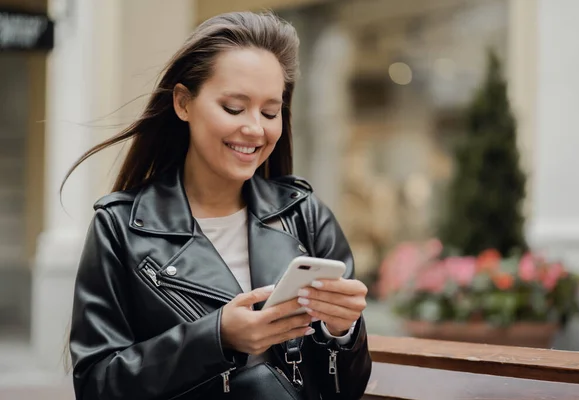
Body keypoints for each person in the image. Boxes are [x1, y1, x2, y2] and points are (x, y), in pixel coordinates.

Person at [67, 11, 372, 400]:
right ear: (183, 103)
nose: (255, 129)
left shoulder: (305, 217)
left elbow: (345, 390)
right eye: (233, 108)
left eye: (269, 112)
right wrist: (216, 337)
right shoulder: (120, 227)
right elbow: (97, 384)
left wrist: (342, 332)